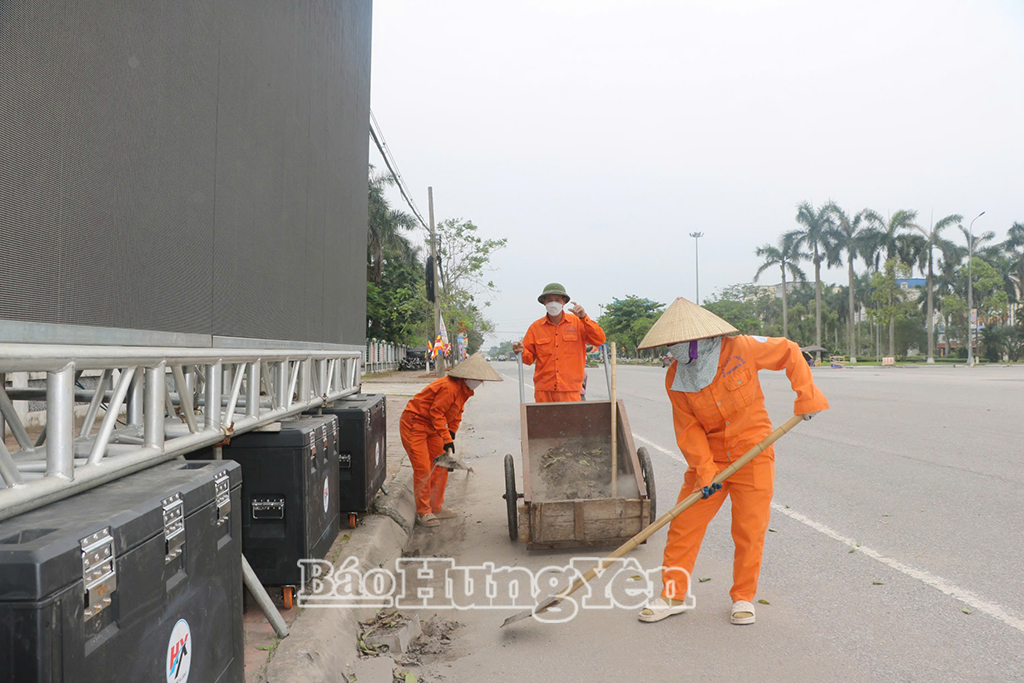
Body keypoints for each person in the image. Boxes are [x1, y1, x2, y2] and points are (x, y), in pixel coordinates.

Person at [634, 297, 829, 625]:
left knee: (749, 529)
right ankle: (673, 594)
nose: (672, 349)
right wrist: (707, 471)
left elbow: (789, 351)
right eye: (669, 344)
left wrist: (806, 395)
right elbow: (689, 430)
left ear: (697, 338)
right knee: (684, 526)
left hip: (753, 453)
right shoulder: (675, 378)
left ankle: (743, 598)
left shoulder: (742, 348)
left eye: (677, 342)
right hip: (709, 462)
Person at [399, 352, 502, 528]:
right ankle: (423, 511)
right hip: (414, 425)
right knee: (423, 468)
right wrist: (446, 437)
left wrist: (451, 433)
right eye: (478, 379)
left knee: (441, 466)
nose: (479, 383)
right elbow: (436, 413)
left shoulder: (465, 390)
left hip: (433, 428)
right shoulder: (449, 387)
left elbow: (457, 413)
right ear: (466, 376)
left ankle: (435, 507)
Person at [511, 282, 605, 402]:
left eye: (557, 299)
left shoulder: (578, 323)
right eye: (549, 300)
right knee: (544, 420)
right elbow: (528, 359)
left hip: (571, 390)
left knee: (572, 420)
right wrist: (520, 351)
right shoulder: (536, 328)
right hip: (544, 391)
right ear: (544, 302)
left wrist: (584, 317)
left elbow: (599, 339)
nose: (553, 303)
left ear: (564, 302)